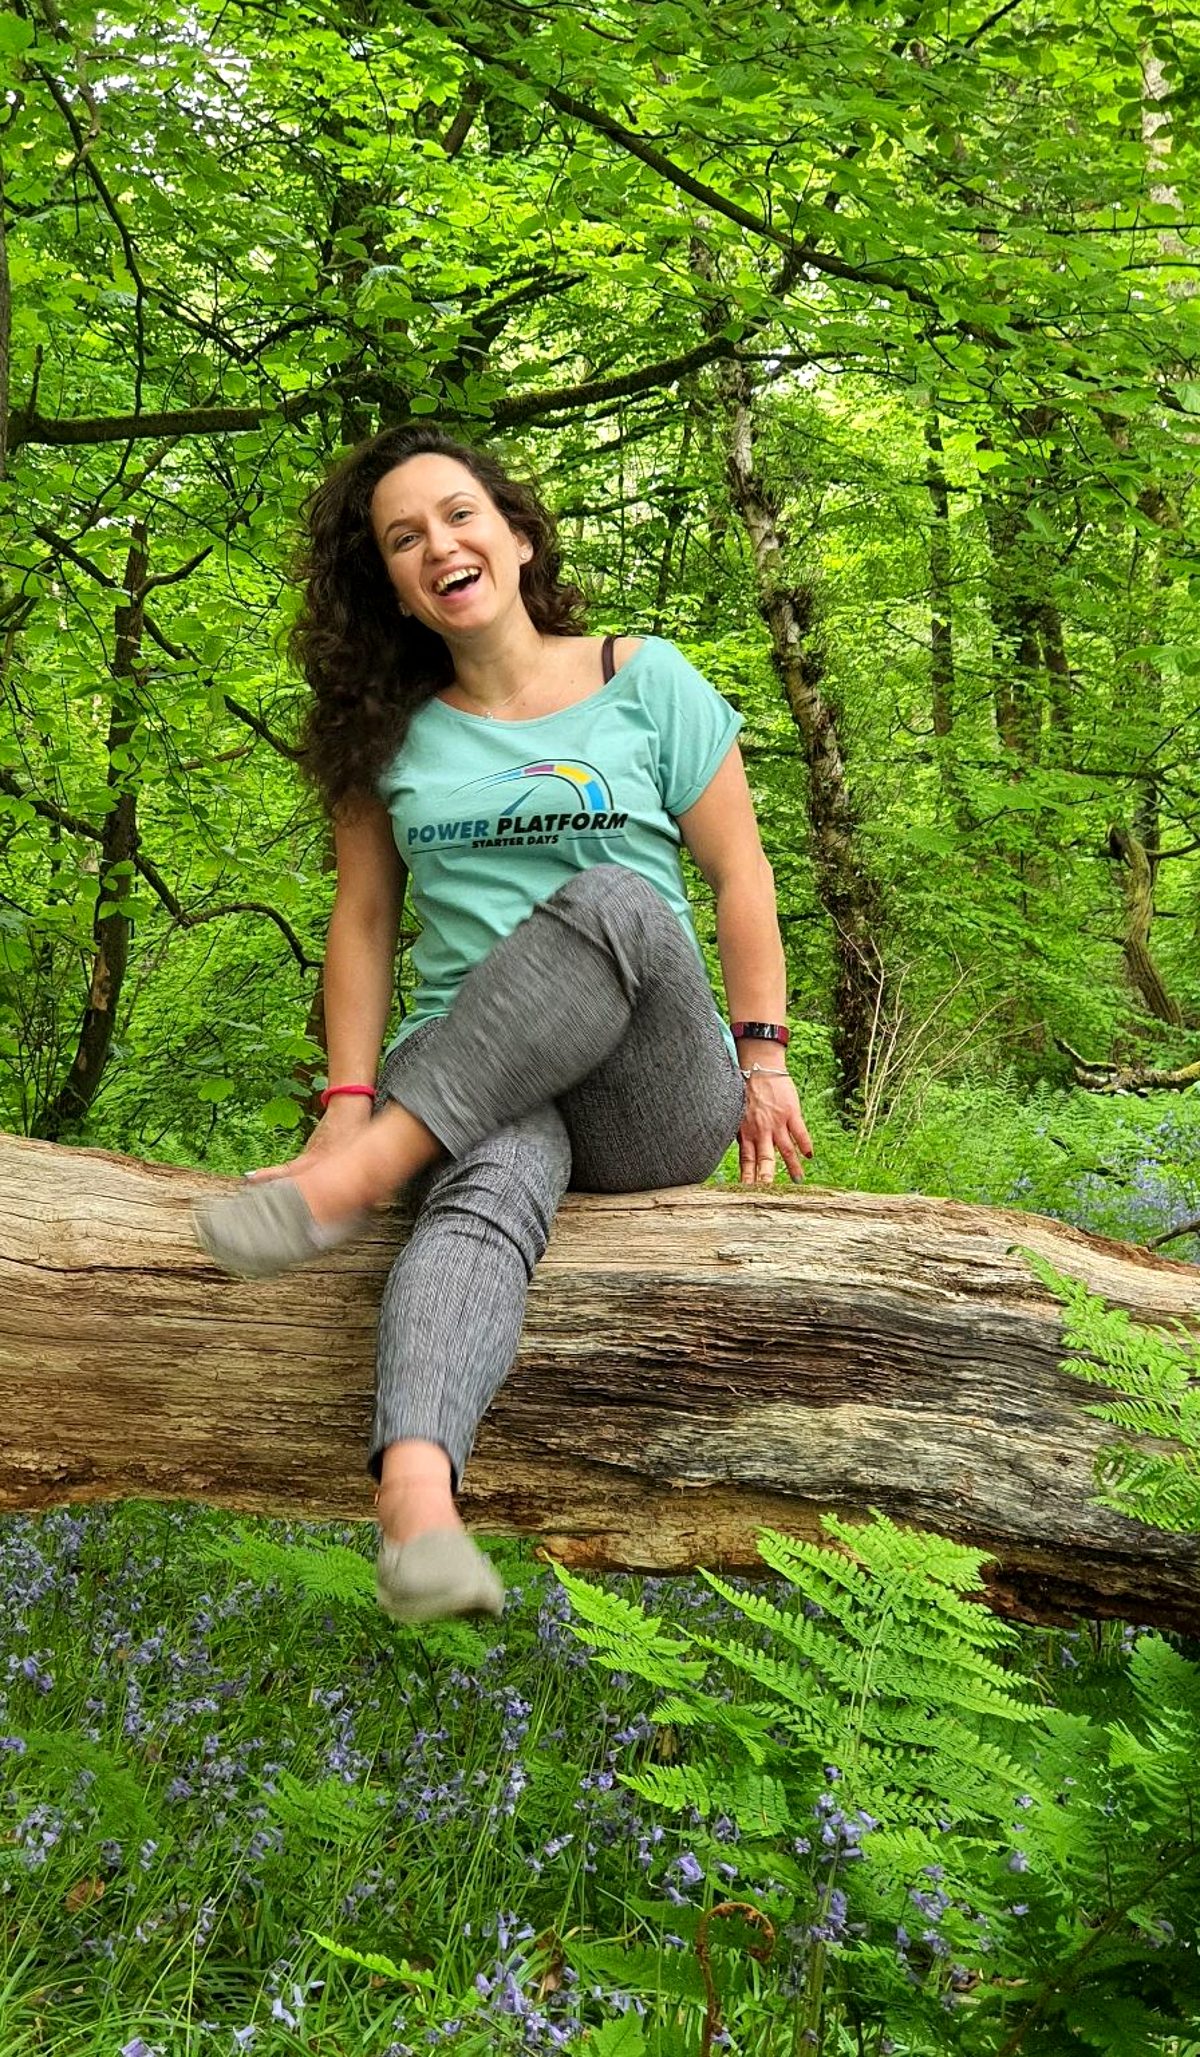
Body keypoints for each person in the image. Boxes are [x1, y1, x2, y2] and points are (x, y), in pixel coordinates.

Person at [195, 423, 812, 1624]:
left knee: (621, 898)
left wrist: (764, 1051)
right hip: (473, 1086)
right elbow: (364, 924)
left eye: (460, 513)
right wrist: (345, 1091)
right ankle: (419, 1506)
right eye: (403, 538)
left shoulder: (647, 677)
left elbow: (741, 874)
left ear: (518, 536)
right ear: (393, 587)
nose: (440, 544)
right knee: (489, 1184)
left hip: (649, 1088)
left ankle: (363, 1174)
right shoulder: (393, 737)